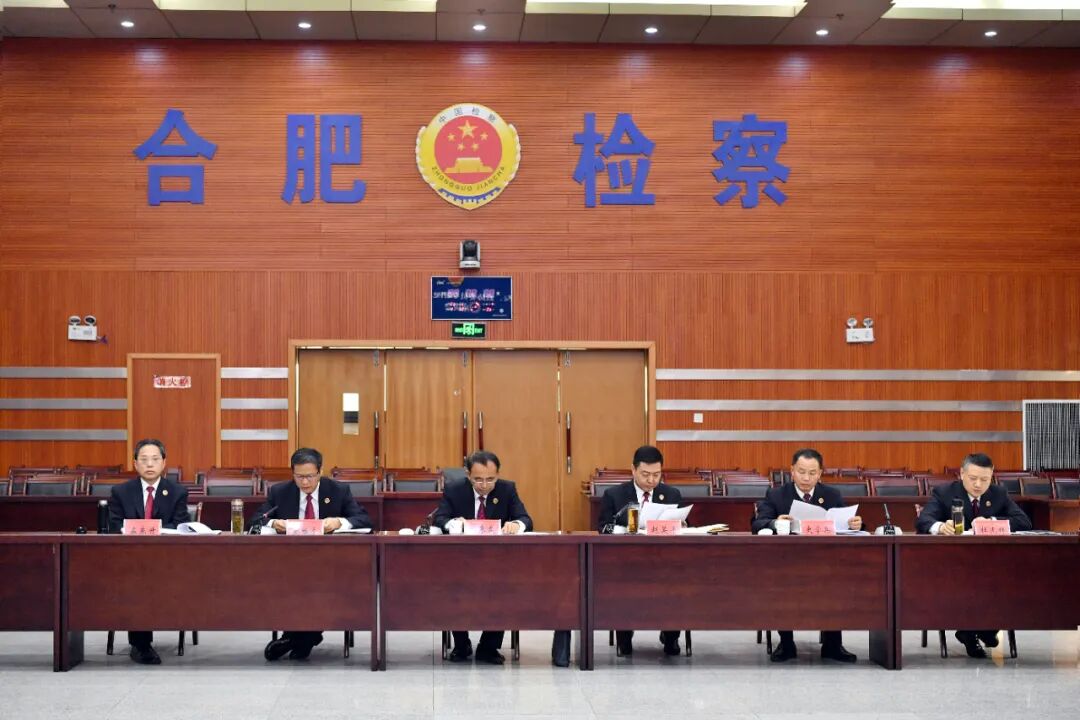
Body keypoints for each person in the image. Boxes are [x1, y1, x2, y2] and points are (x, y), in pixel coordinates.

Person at [259, 447, 372, 661]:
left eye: (310, 476)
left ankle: (296, 638)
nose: (304, 482)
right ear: (292, 473)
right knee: (293, 582)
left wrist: (339, 522)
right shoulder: (280, 492)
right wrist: (274, 523)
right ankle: (305, 638)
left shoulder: (338, 491)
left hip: (330, 562)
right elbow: (256, 520)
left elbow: (364, 520)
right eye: (299, 477)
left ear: (320, 471)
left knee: (319, 583)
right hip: (289, 562)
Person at [915, 452, 1031, 658]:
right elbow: (923, 520)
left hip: (992, 563)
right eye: (973, 478)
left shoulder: (998, 494)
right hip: (953, 564)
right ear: (962, 474)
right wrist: (940, 527)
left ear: (991, 477)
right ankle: (971, 631)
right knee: (970, 582)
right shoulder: (945, 493)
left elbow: (1024, 522)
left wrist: (992, 522)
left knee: (1008, 580)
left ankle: (986, 628)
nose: (978, 484)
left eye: (985, 480)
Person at [753, 448, 862, 663]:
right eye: (801, 472)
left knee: (838, 583)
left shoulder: (832, 495)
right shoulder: (776, 495)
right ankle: (786, 644)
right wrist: (775, 522)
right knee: (780, 584)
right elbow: (757, 524)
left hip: (826, 562)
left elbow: (845, 524)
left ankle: (833, 645)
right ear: (792, 471)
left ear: (820, 473)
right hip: (786, 562)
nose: (806, 478)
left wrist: (856, 524)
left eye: (812, 473)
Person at [434, 450, 532, 664]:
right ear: (468, 474)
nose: (484, 485)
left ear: (498, 475)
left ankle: (489, 647)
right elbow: (439, 518)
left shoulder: (507, 489)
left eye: (490, 479)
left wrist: (516, 525)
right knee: (452, 587)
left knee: (504, 587)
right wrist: (454, 524)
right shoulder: (454, 489)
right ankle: (461, 645)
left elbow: (525, 519)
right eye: (478, 479)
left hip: (498, 562)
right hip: (460, 560)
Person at [107, 438, 190, 665]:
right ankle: (141, 645)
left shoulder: (177, 492)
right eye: (144, 460)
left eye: (155, 459)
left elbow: (180, 525)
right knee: (136, 578)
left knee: (147, 577)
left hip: (167, 559)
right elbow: (113, 525)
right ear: (135, 463)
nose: (150, 464)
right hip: (128, 560)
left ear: (164, 463)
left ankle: (142, 643)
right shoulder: (121, 492)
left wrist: (152, 530)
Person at [595, 444, 683, 658]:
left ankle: (671, 636)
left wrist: (682, 525)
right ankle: (624, 636)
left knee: (678, 582)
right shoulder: (614, 495)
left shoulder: (671, 494)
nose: (651, 480)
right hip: (626, 562)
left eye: (656, 475)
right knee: (623, 584)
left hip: (664, 562)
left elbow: (683, 527)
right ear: (633, 470)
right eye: (645, 474)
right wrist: (626, 529)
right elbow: (603, 528)